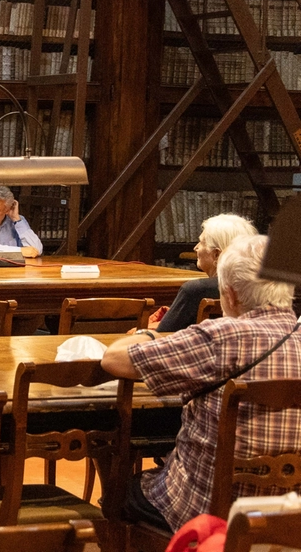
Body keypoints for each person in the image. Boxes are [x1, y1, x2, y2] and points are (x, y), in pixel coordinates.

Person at [101, 234, 301, 533]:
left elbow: (113, 359)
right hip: (288, 512)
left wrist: (149, 334)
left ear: (231, 294)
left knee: (121, 488)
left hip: (205, 511)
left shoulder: (221, 336)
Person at [147, 213, 256, 332]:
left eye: (201, 242)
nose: (195, 248)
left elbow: (162, 335)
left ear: (216, 254)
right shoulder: (261, 287)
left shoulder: (195, 290)